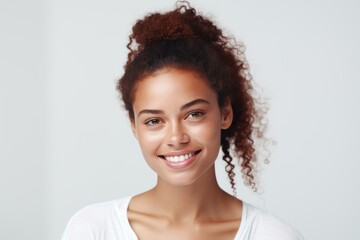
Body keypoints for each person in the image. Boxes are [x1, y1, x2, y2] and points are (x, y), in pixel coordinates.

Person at [62, 2, 304, 239]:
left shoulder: (273, 235)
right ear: (134, 126)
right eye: (154, 121)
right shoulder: (93, 230)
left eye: (194, 114)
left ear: (225, 113)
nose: (176, 138)